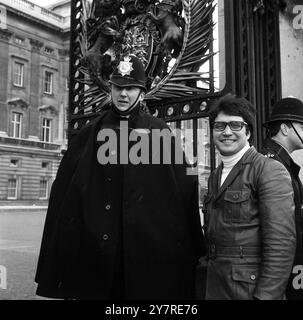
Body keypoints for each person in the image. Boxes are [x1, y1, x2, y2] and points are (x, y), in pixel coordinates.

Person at [35, 54, 205, 300]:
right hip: (97, 262)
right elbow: (64, 198)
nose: (123, 94)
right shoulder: (88, 135)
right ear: (110, 89)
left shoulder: (159, 132)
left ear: (142, 93)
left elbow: (185, 188)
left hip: (145, 263)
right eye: (118, 87)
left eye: (131, 88)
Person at [200, 94, 296, 300]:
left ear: (248, 131)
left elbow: (281, 244)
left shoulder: (269, 170)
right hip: (216, 287)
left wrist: (266, 297)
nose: (226, 132)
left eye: (235, 125)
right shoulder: (215, 175)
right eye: (219, 126)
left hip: (249, 291)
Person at [261, 97, 303, 300]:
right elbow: (277, 235)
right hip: (280, 279)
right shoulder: (272, 163)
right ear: (285, 129)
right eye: (301, 125)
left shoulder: (280, 160)